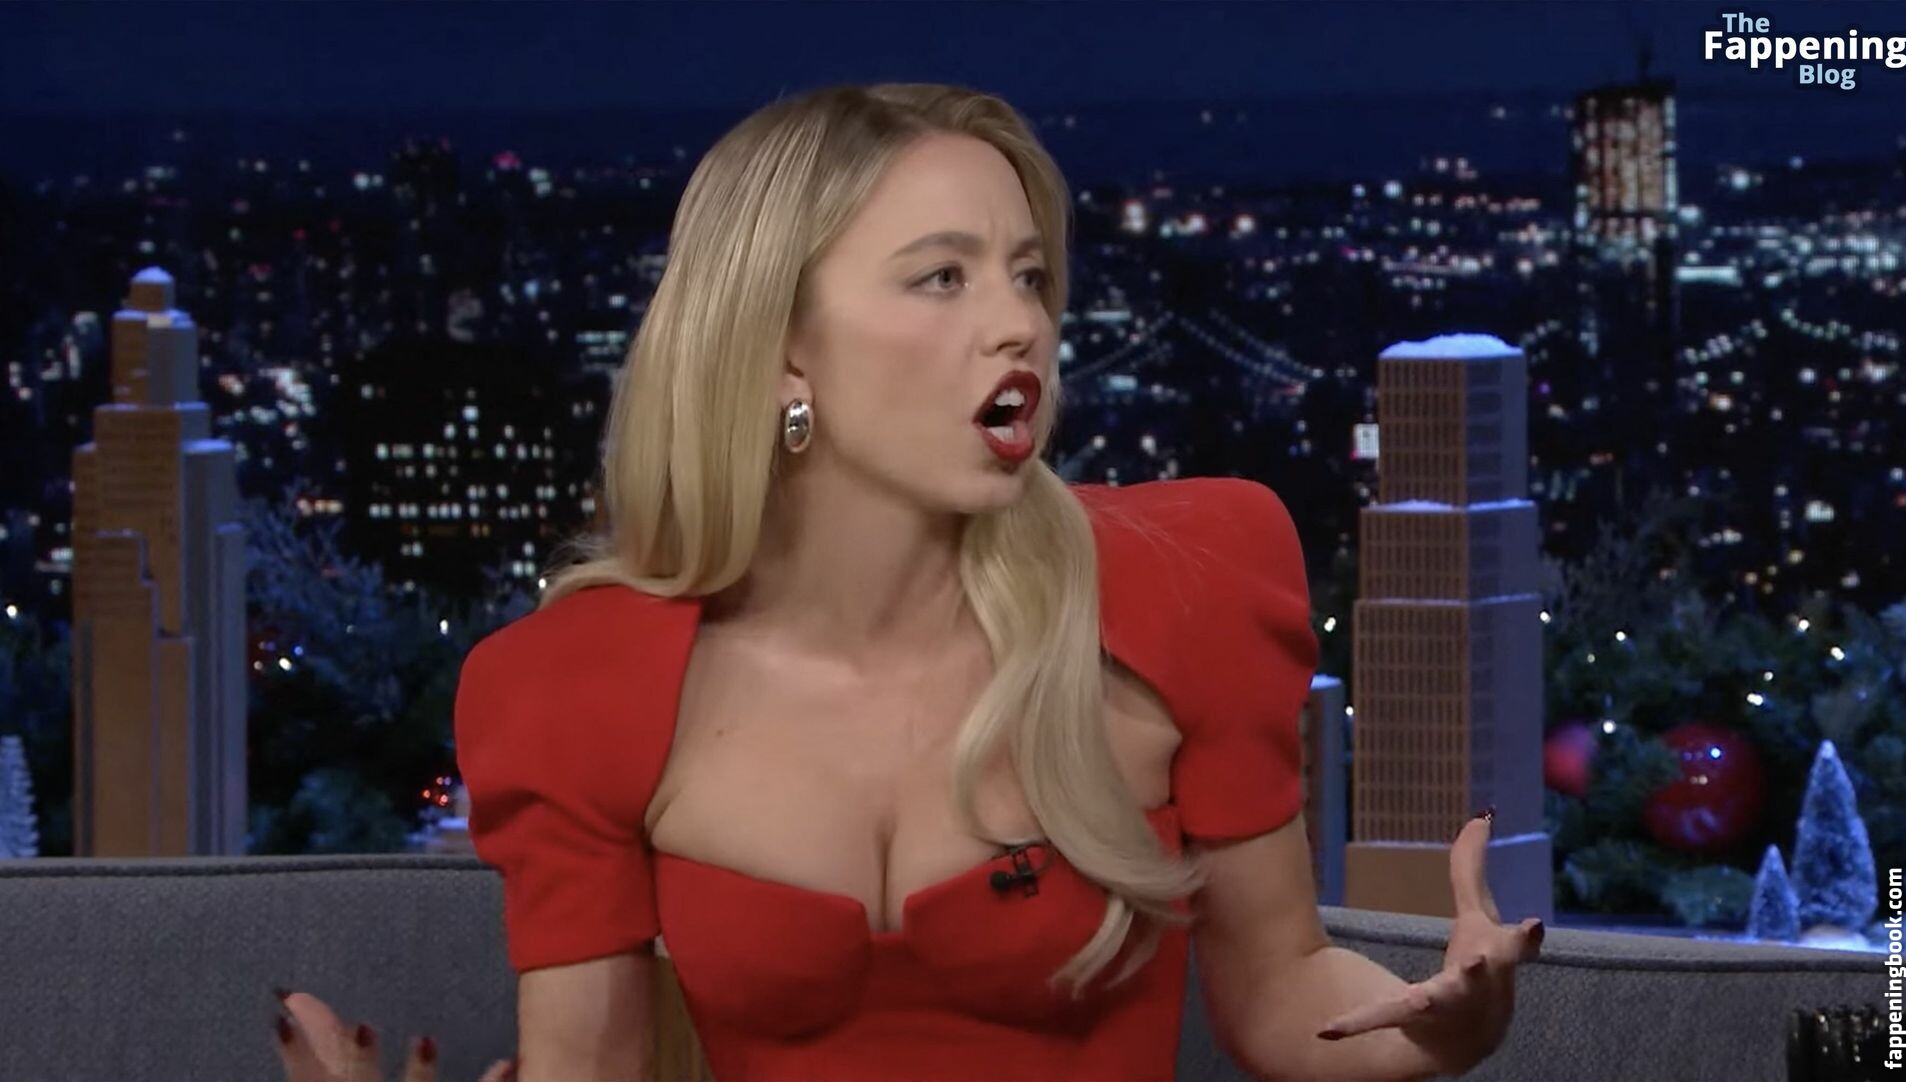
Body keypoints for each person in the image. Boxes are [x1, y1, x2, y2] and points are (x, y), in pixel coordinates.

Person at [273, 82, 1542, 1082]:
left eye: (1029, 274)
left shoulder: (1188, 585)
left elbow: (1281, 995)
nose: (1020, 322)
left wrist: (1446, 1025)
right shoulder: (575, 686)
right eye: (944, 276)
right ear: (783, 347)